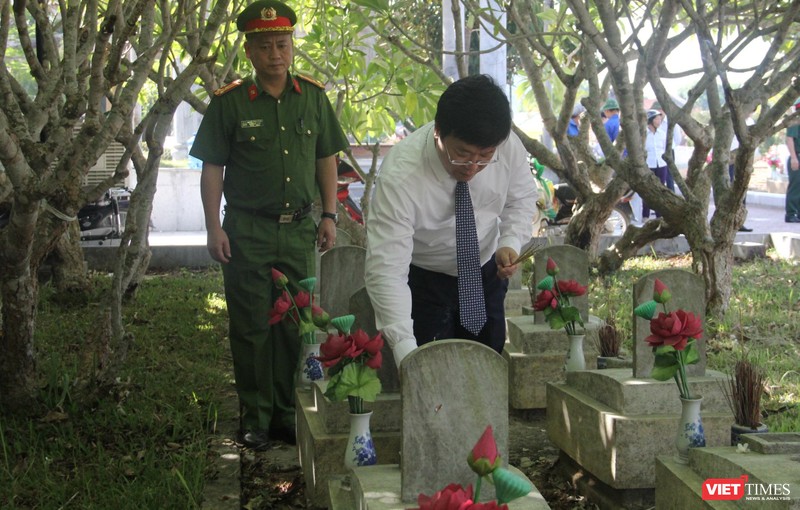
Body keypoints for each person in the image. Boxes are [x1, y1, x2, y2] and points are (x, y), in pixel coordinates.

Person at [189, 0, 348, 450]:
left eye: (282, 44)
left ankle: (282, 414)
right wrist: (211, 227)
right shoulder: (231, 103)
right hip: (246, 231)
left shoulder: (313, 98)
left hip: (298, 229)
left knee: (293, 323)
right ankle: (254, 416)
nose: (275, 54)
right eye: (264, 46)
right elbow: (212, 168)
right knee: (251, 325)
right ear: (250, 51)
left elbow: (326, 158)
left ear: (292, 45)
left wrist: (330, 214)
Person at [364, 75, 538, 368]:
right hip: (425, 279)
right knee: (432, 372)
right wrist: (406, 350)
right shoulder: (401, 174)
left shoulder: (507, 145)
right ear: (438, 132)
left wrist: (509, 241)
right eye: (462, 154)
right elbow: (387, 269)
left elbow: (520, 199)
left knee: (486, 365)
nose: (472, 167)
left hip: (485, 272)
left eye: (485, 157)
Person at [643, 109, 669, 220]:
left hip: (661, 164)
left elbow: (665, 149)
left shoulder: (662, 134)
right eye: (657, 119)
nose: (659, 121)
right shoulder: (643, 134)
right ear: (650, 120)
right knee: (647, 190)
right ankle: (645, 214)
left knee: (661, 189)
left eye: (660, 119)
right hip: (649, 164)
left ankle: (659, 214)